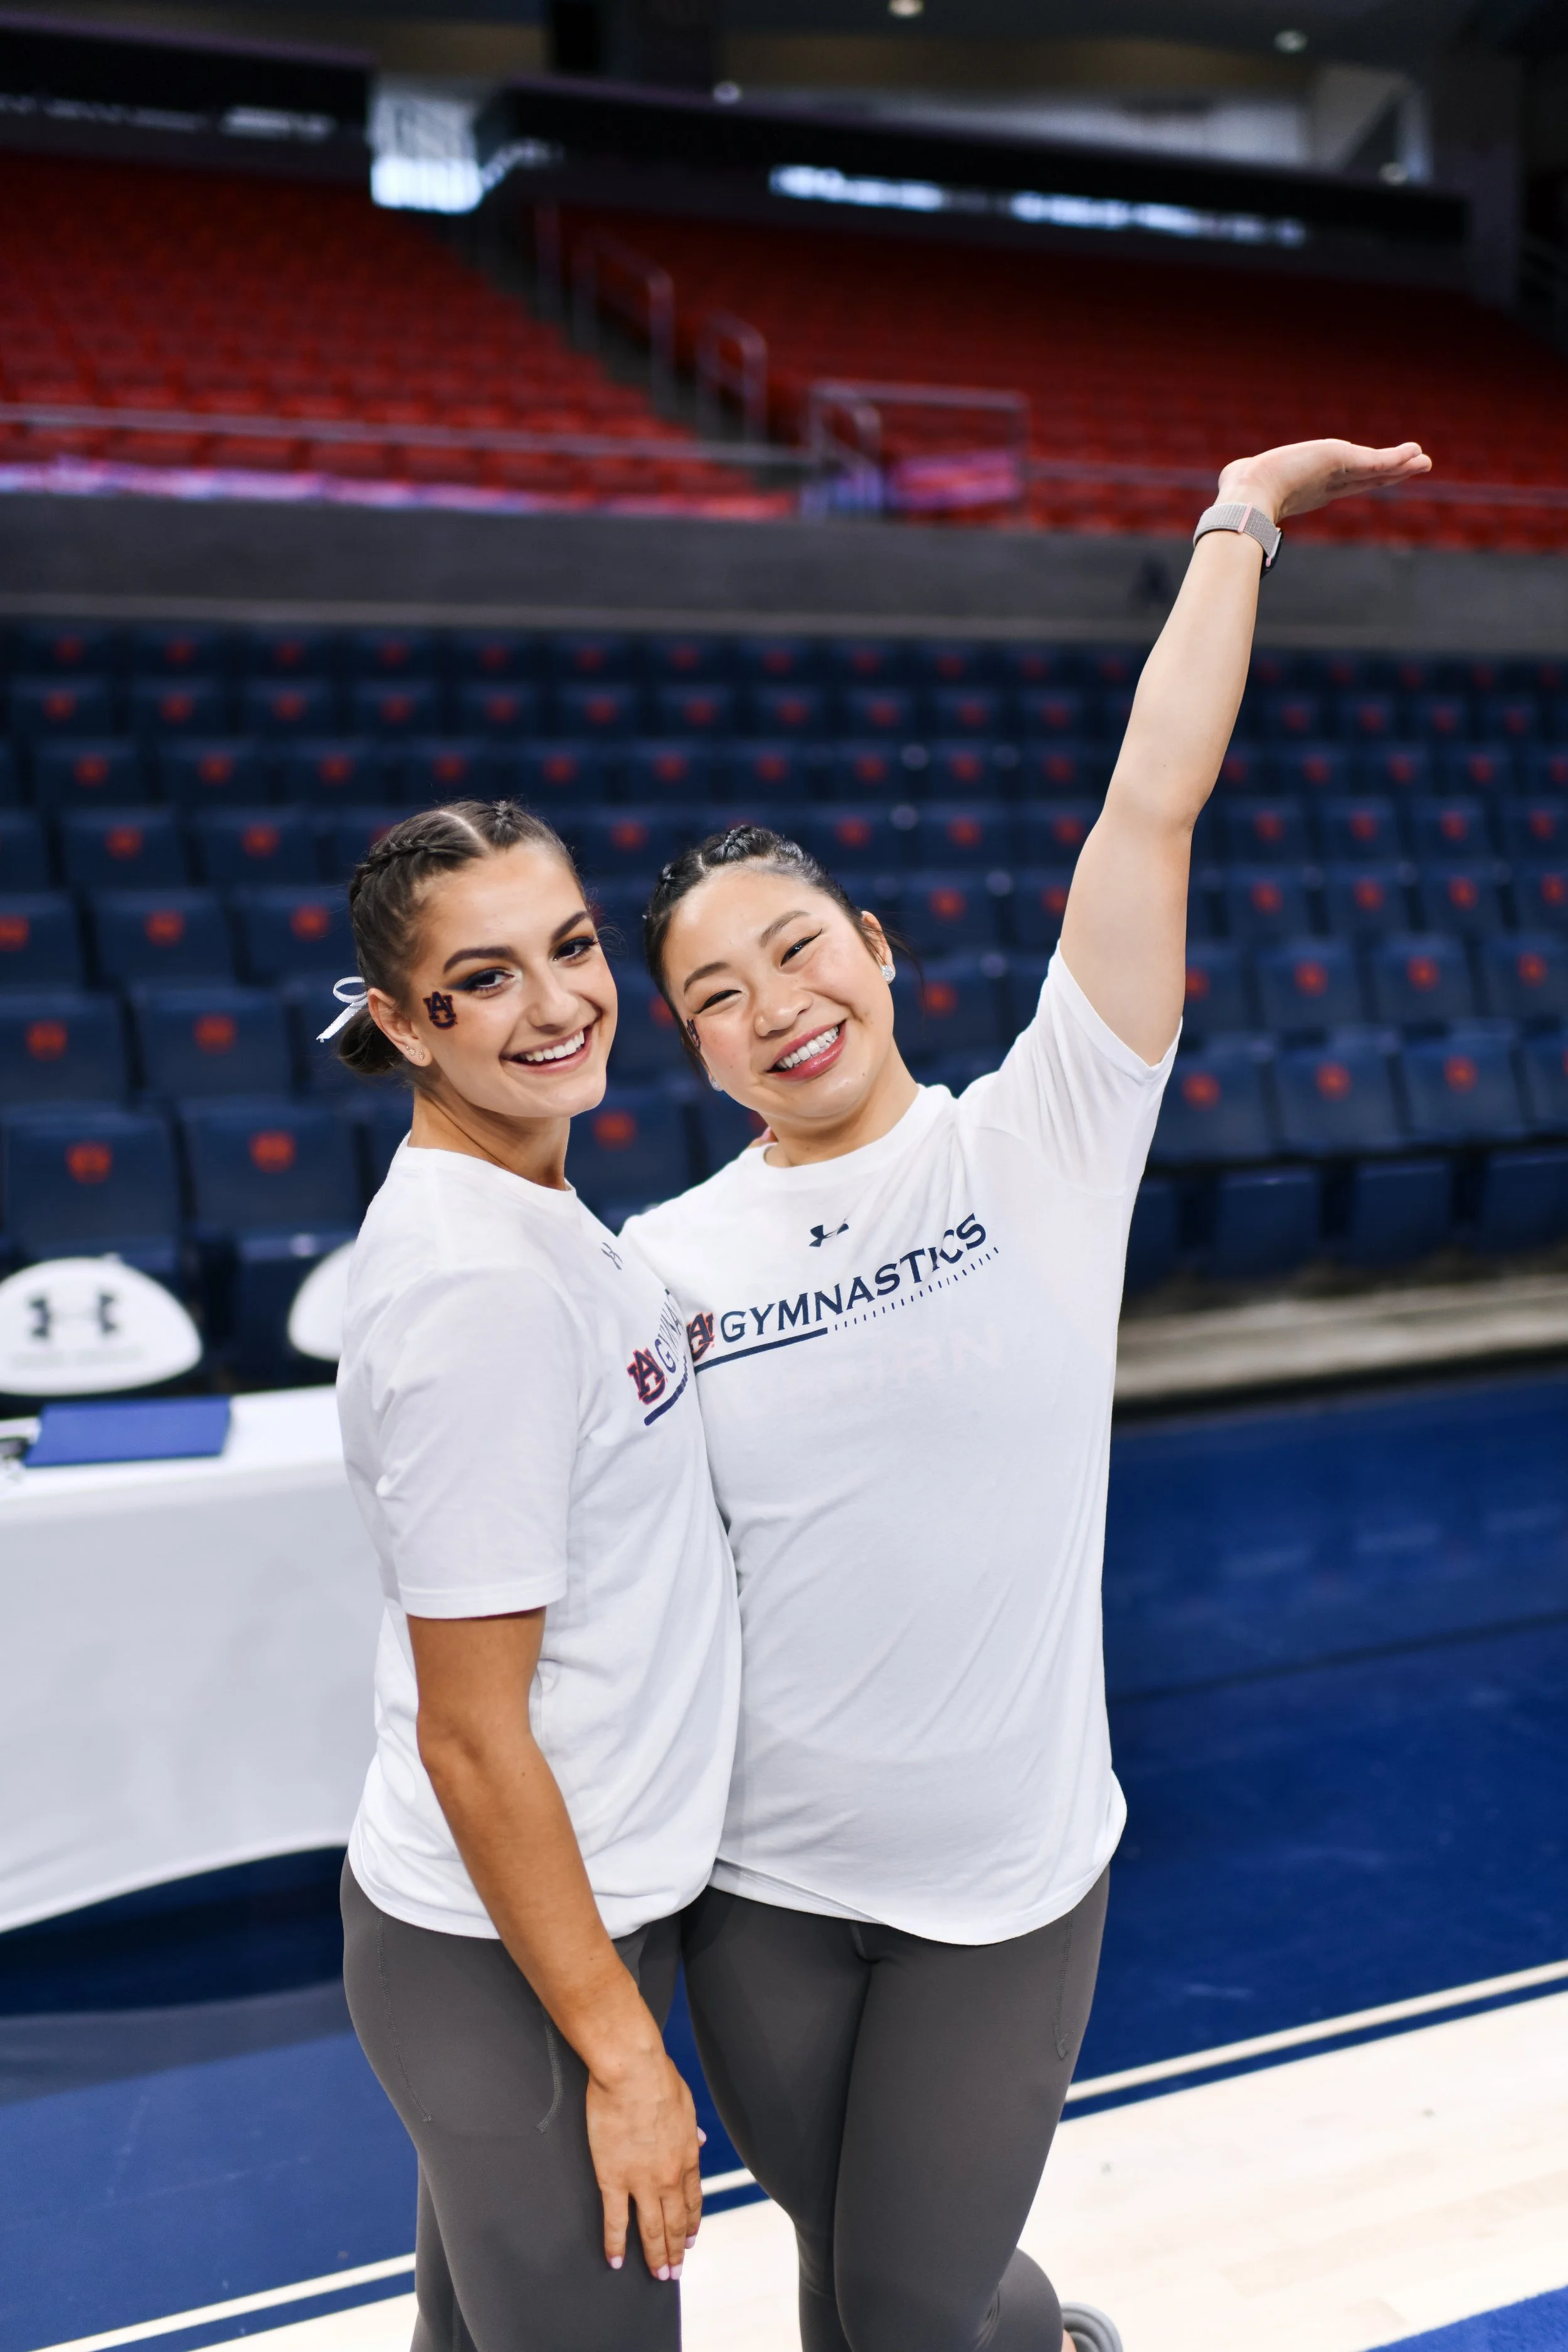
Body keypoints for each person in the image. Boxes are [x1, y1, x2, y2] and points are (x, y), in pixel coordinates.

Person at [625, 440, 1431, 2352]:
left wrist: (1232, 515)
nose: (773, 1003)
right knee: (877, 2278)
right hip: (757, 1890)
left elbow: (1150, 806)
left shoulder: (1042, 1135)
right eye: (715, 992)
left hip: (1002, 1879)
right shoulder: (657, 1257)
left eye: (795, 945)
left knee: (887, 2315)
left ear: (875, 948)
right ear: (690, 1045)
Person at [329, 800, 739, 2352]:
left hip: (547, 1929)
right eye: (484, 979)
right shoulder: (476, 1293)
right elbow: (470, 1732)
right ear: (401, 1025)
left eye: (569, 947)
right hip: (507, 1965)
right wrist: (626, 2059)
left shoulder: (532, 1210)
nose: (558, 1002)